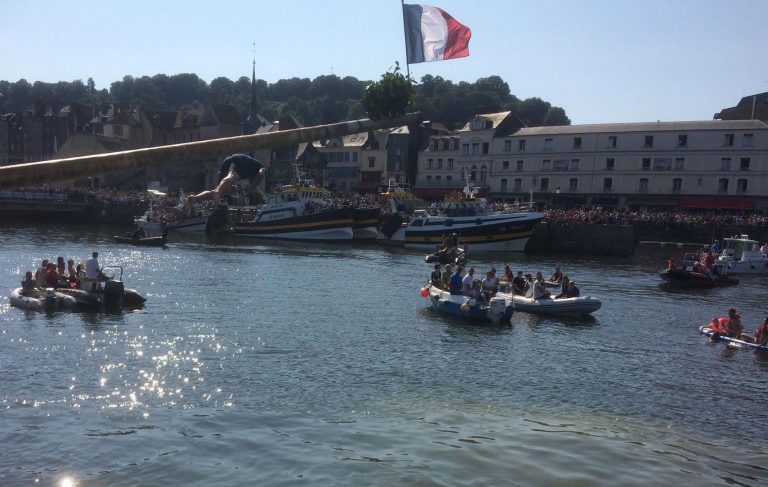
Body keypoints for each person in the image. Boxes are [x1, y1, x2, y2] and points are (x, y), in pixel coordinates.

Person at [184, 154, 265, 210]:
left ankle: (195, 198)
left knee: (218, 191)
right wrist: (250, 189)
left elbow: (254, 188)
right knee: (232, 176)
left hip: (227, 161)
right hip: (240, 160)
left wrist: (231, 186)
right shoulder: (259, 168)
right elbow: (261, 173)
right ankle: (218, 191)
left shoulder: (250, 174)